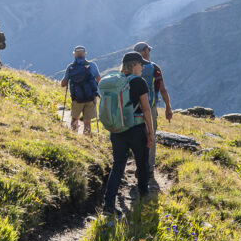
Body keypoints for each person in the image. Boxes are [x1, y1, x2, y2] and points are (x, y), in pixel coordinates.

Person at [101, 51, 156, 216]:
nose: (142, 68)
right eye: (140, 65)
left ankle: (108, 205)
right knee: (142, 163)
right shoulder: (139, 82)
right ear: (133, 65)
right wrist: (151, 132)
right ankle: (143, 199)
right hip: (136, 129)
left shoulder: (114, 81)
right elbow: (146, 109)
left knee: (118, 165)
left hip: (117, 130)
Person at [133, 41, 173, 175]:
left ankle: (139, 166)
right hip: (150, 108)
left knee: (137, 137)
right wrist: (168, 108)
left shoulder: (131, 67)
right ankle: (149, 167)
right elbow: (162, 89)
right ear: (145, 52)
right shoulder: (155, 68)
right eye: (148, 50)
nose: (149, 52)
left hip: (132, 109)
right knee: (151, 135)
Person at [60, 46, 100, 134]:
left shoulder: (70, 67)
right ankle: (87, 141)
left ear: (74, 55)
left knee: (74, 119)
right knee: (87, 122)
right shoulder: (92, 65)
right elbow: (99, 79)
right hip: (90, 98)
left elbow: (63, 84)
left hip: (77, 98)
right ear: (85, 54)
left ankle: (74, 137)